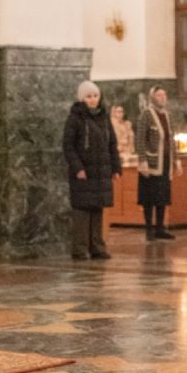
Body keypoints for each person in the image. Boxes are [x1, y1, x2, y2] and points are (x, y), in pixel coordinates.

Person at [62, 80, 122, 260]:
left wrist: (116, 167)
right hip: (84, 173)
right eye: (89, 96)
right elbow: (68, 146)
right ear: (82, 98)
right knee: (82, 211)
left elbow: (112, 144)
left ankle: (97, 247)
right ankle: (80, 249)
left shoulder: (104, 117)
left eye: (95, 96)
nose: (93, 99)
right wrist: (78, 168)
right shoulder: (75, 118)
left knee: (97, 210)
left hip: (101, 172)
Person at [136, 86, 182, 241]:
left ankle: (160, 228)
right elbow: (140, 139)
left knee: (162, 197)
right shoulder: (146, 115)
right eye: (159, 95)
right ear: (153, 97)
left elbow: (171, 140)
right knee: (149, 197)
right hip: (151, 163)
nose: (162, 98)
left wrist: (176, 160)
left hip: (165, 163)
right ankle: (149, 228)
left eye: (164, 95)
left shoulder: (168, 116)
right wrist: (142, 160)